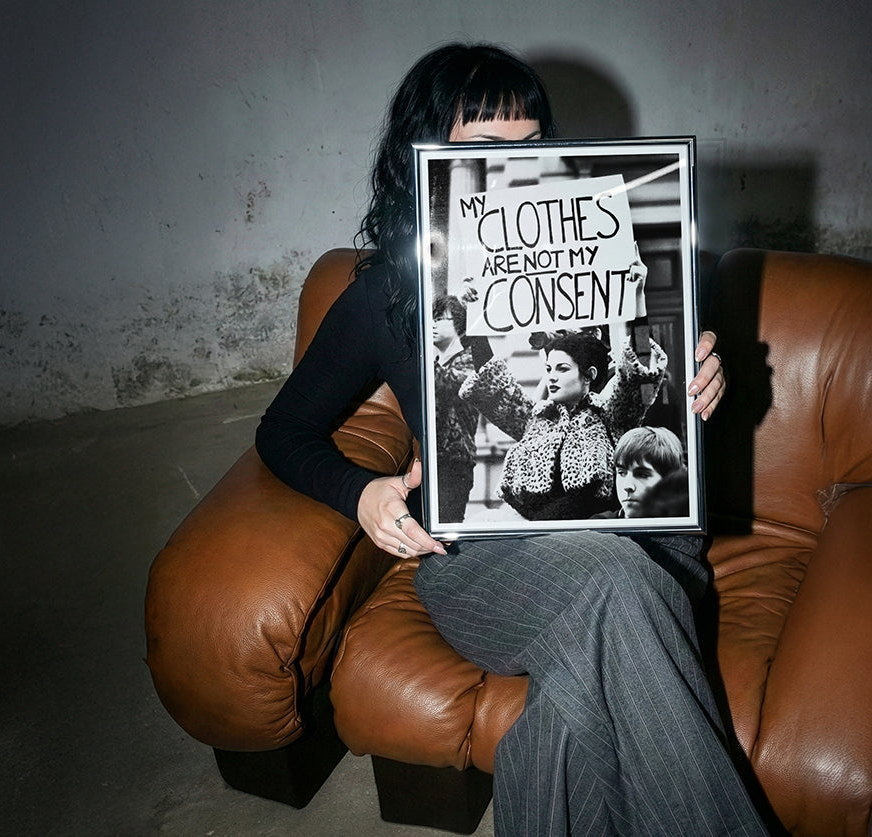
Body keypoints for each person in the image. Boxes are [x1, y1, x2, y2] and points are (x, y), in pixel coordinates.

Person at [255, 42, 762, 835]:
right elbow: (282, 430)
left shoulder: (626, 246)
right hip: (488, 564)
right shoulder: (390, 293)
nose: (518, 169)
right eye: (488, 149)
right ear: (423, 156)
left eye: (533, 146)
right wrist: (362, 494)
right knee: (613, 587)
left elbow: (654, 408)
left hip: (648, 538)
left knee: (565, 715)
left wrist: (705, 381)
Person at [459, 328, 667, 520]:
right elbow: (496, 387)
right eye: (549, 369)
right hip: (532, 531)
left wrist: (637, 307)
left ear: (589, 375)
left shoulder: (609, 415)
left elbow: (638, 373)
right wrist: (475, 333)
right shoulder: (538, 418)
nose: (552, 377)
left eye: (562, 369)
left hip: (590, 533)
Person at [429, 294, 482, 522]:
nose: (432, 324)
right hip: (430, 459)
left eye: (440, 318)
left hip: (454, 462)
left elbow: (445, 382)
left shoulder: (471, 361)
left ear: (459, 324)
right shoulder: (435, 363)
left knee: (446, 526)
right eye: (431, 318)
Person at [592, 425, 688, 519]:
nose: (627, 486)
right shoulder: (598, 525)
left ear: (668, 481)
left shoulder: (685, 525)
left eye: (642, 475)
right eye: (621, 473)